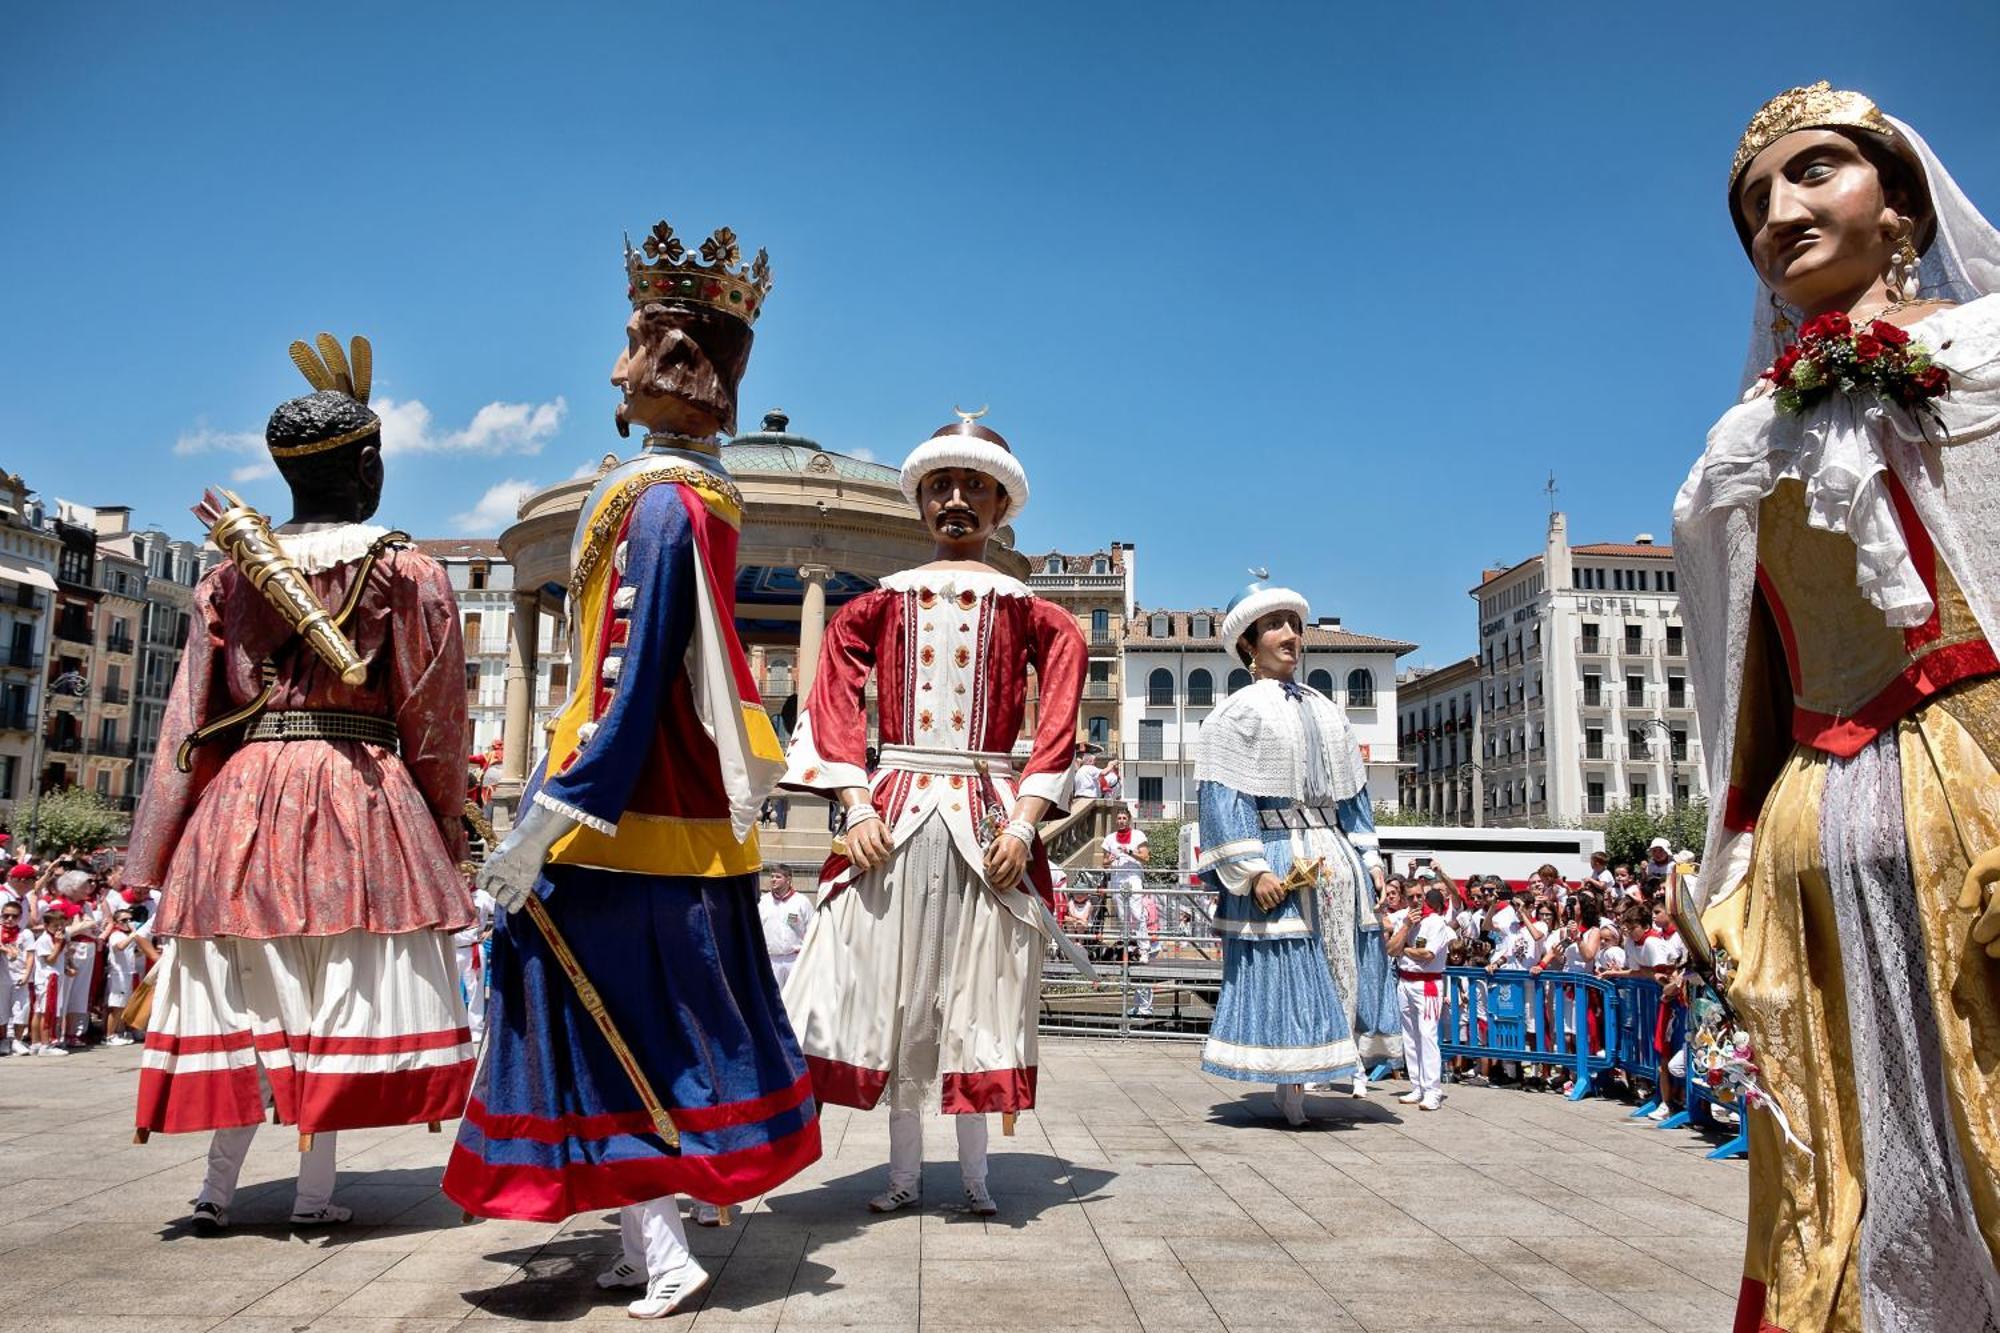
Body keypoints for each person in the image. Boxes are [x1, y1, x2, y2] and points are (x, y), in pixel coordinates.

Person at [445, 219, 816, 1320]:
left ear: (675, 363)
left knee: (586, 1014)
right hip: (664, 816)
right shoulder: (681, 496)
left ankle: (659, 1247)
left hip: (617, 818)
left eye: (633, 343)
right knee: (645, 1020)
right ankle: (633, 1232)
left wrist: (546, 818)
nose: (615, 368)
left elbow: (630, 671)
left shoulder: (658, 502)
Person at [1675, 82, 2000, 1333]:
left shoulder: (1983, 363)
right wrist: (1728, 851)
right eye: (1755, 200)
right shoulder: (1735, 447)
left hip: (1977, 786)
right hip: (1818, 824)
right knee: (1845, 1165)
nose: (1778, 210)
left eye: (1813, 174)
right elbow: (1747, 676)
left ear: (1898, 201)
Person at [126, 332, 477, 1230]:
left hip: (241, 804)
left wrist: (163, 845)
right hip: (359, 792)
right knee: (333, 992)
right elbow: (434, 714)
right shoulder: (408, 570)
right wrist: (445, 818)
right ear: (366, 468)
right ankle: (316, 1196)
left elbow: (186, 724)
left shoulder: (223, 577)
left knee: (249, 986)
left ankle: (215, 1187)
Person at [781, 409, 1085, 1217]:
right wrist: (851, 800)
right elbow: (830, 699)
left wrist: (1024, 821)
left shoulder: (1037, 613)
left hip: (987, 817)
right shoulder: (873, 604)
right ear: (922, 503)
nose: (956, 500)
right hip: (896, 806)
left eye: (974, 487)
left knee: (979, 992)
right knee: (895, 995)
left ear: (1000, 506)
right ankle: (903, 1175)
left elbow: (1058, 719)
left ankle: (978, 1177)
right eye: (942, 486)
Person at [1192, 579, 1368, 1126]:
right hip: (1277, 849)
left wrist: (1370, 858)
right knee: (1288, 965)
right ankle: (1289, 1081)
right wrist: (1250, 870)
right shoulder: (1236, 712)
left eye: (1294, 624)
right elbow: (1223, 795)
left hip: (1332, 850)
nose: (1291, 635)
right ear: (1249, 642)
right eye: (1275, 625)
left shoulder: (1325, 707)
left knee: (1341, 959)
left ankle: (1332, 1061)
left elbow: (1353, 792)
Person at [1386, 887, 1453, 1111]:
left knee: (1427, 1035)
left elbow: (1427, 955)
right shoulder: (1404, 918)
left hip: (1428, 983)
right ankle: (1417, 1086)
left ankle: (1433, 1090)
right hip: (1405, 982)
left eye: (1419, 897)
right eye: (1411, 897)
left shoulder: (1436, 922)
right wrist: (1405, 926)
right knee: (1410, 1036)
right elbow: (1390, 949)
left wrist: (1404, 949)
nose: (1416, 901)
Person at [1101, 807, 1155, 1013]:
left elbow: (1146, 858)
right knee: (1123, 917)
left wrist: (1129, 852)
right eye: (1119, 818)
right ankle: (1129, 947)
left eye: (1124, 818)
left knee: (1136, 912)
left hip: (1133, 877)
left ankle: (1144, 949)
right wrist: (1111, 859)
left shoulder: (1138, 835)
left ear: (1129, 820)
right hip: (1117, 878)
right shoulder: (1110, 838)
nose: (1121, 821)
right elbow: (1104, 862)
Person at [758, 866, 814, 988]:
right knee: (774, 998)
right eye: (772, 876)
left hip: (794, 959)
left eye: (778, 877)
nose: (773, 879)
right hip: (771, 960)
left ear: (788, 880)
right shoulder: (763, 902)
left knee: (794, 998)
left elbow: (812, 930)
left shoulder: (801, 901)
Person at [101, 907, 143, 1046]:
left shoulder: (126, 935)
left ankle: (119, 1031)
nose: (128, 922)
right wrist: (133, 934)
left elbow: (135, 953)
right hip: (118, 975)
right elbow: (119, 947)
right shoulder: (116, 935)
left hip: (128, 974)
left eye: (130, 919)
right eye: (124, 920)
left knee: (123, 1006)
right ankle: (110, 1035)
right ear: (116, 922)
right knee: (116, 1006)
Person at [0, 897, 28, 1055]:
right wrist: (6, 950)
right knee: (1, 1011)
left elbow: (30, 956)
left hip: (20, 976)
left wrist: (27, 974)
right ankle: (3, 1040)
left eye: (14, 916)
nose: (10, 919)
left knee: (21, 1009)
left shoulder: (25, 933)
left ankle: (17, 1040)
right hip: (2, 977)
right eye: (6, 916)